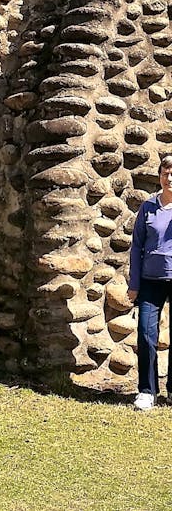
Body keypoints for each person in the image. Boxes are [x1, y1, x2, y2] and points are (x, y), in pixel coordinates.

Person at [128, 153, 172, 411]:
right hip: (149, 281)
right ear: (159, 176)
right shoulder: (147, 208)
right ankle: (147, 391)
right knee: (146, 334)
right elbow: (136, 248)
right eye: (165, 173)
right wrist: (134, 285)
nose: (170, 177)